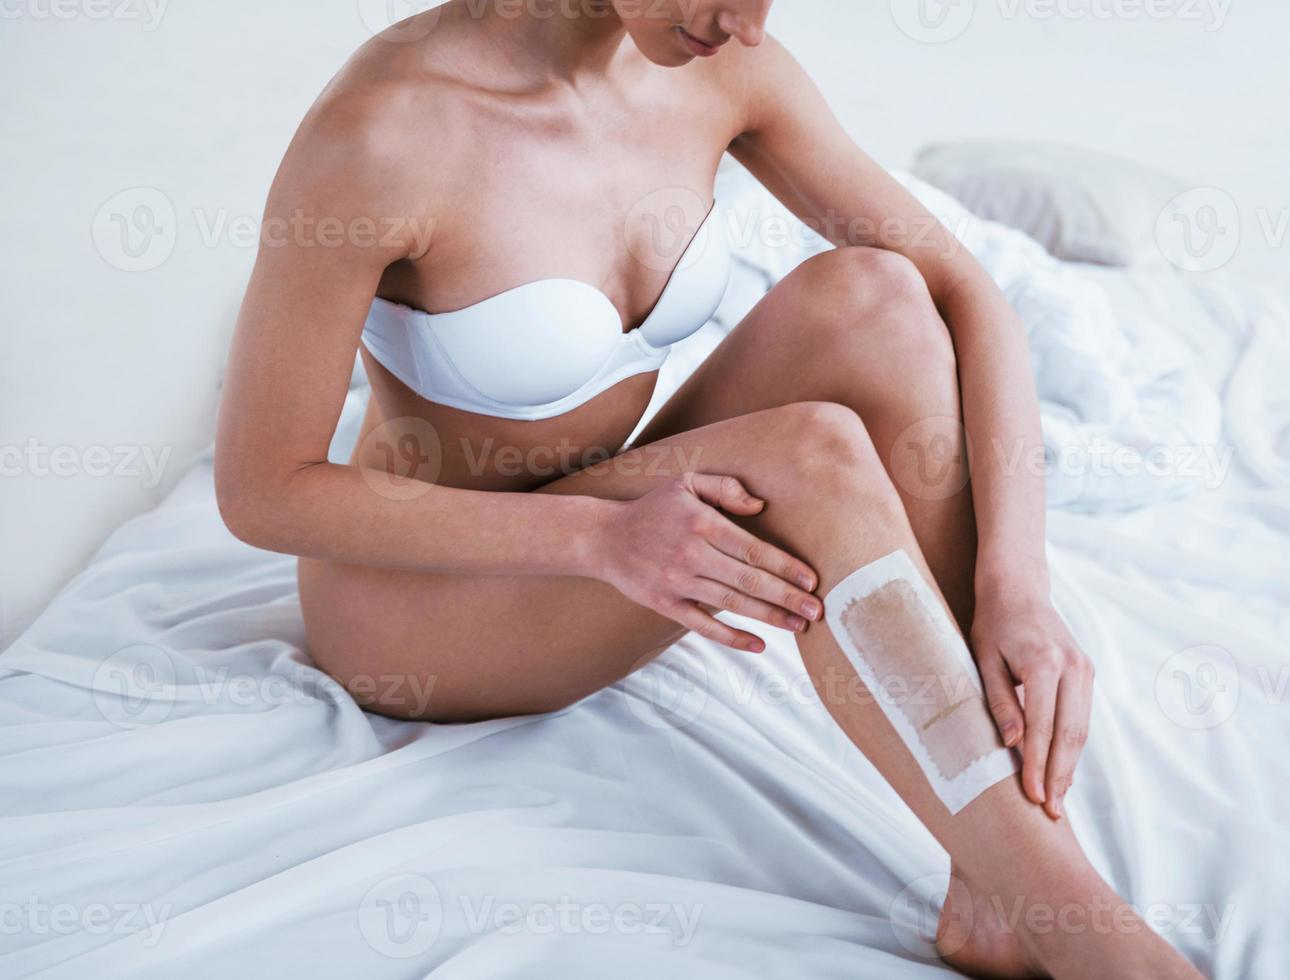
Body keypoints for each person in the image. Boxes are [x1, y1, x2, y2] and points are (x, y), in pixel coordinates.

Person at [214, 3, 1205, 976]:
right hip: (416, 600)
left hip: (608, 499)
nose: (746, 22)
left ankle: (996, 878)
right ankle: (1101, 943)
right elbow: (263, 489)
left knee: (881, 300)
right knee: (809, 453)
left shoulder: (720, 64)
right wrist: (598, 543)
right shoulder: (385, 130)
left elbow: (967, 292)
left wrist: (1016, 585)